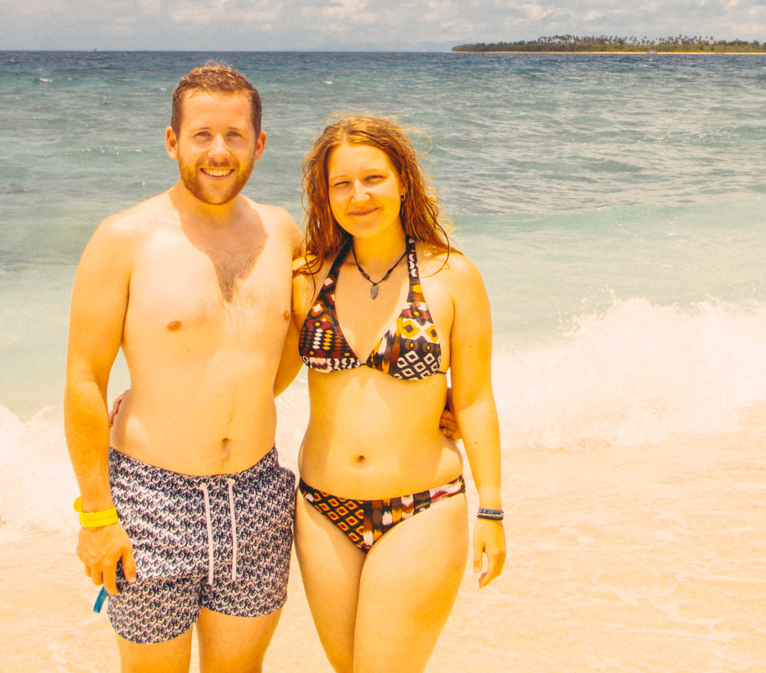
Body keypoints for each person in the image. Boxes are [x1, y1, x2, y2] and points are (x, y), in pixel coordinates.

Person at [63, 63, 302, 673]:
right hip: (150, 503)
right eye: (201, 134)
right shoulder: (123, 239)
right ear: (172, 141)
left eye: (234, 135)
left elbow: (328, 331)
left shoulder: (283, 233)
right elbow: (84, 380)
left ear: (259, 143)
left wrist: (434, 402)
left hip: (257, 496)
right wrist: (97, 516)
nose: (218, 152)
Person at [286, 116, 506, 673]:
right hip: (319, 509)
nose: (358, 195)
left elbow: (476, 398)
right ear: (325, 194)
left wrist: (493, 509)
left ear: (403, 180)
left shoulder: (452, 277)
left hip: (421, 510)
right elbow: (251, 365)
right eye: (341, 184)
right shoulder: (307, 276)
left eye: (374, 178)